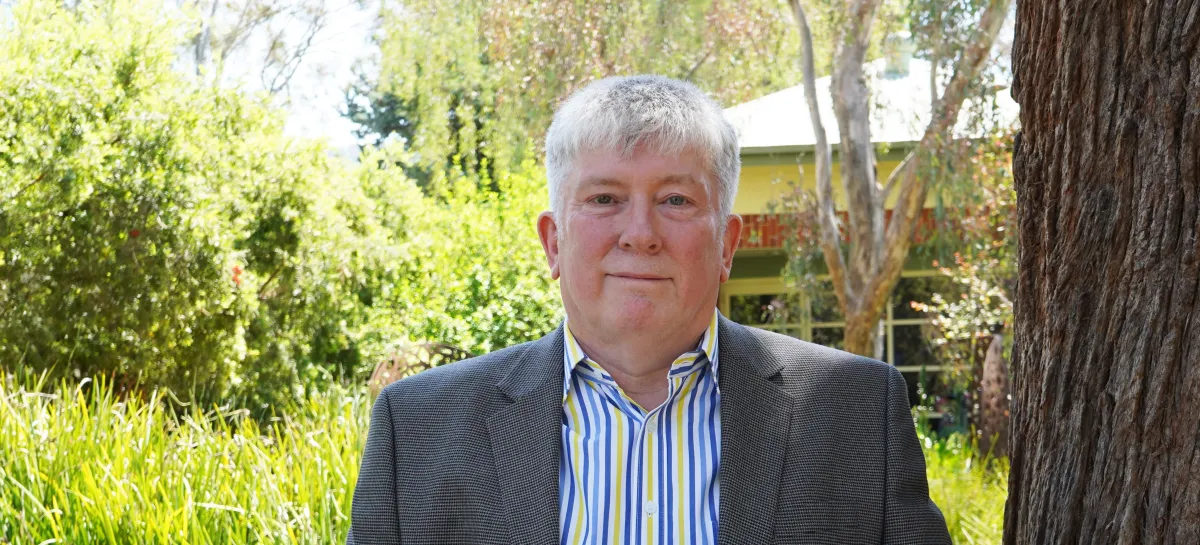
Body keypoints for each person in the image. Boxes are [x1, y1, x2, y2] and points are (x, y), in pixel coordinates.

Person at [348, 75, 951, 545]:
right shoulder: (418, 431)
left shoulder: (856, 415)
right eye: (605, 198)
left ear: (727, 244)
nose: (640, 233)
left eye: (676, 199)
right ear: (553, 242)